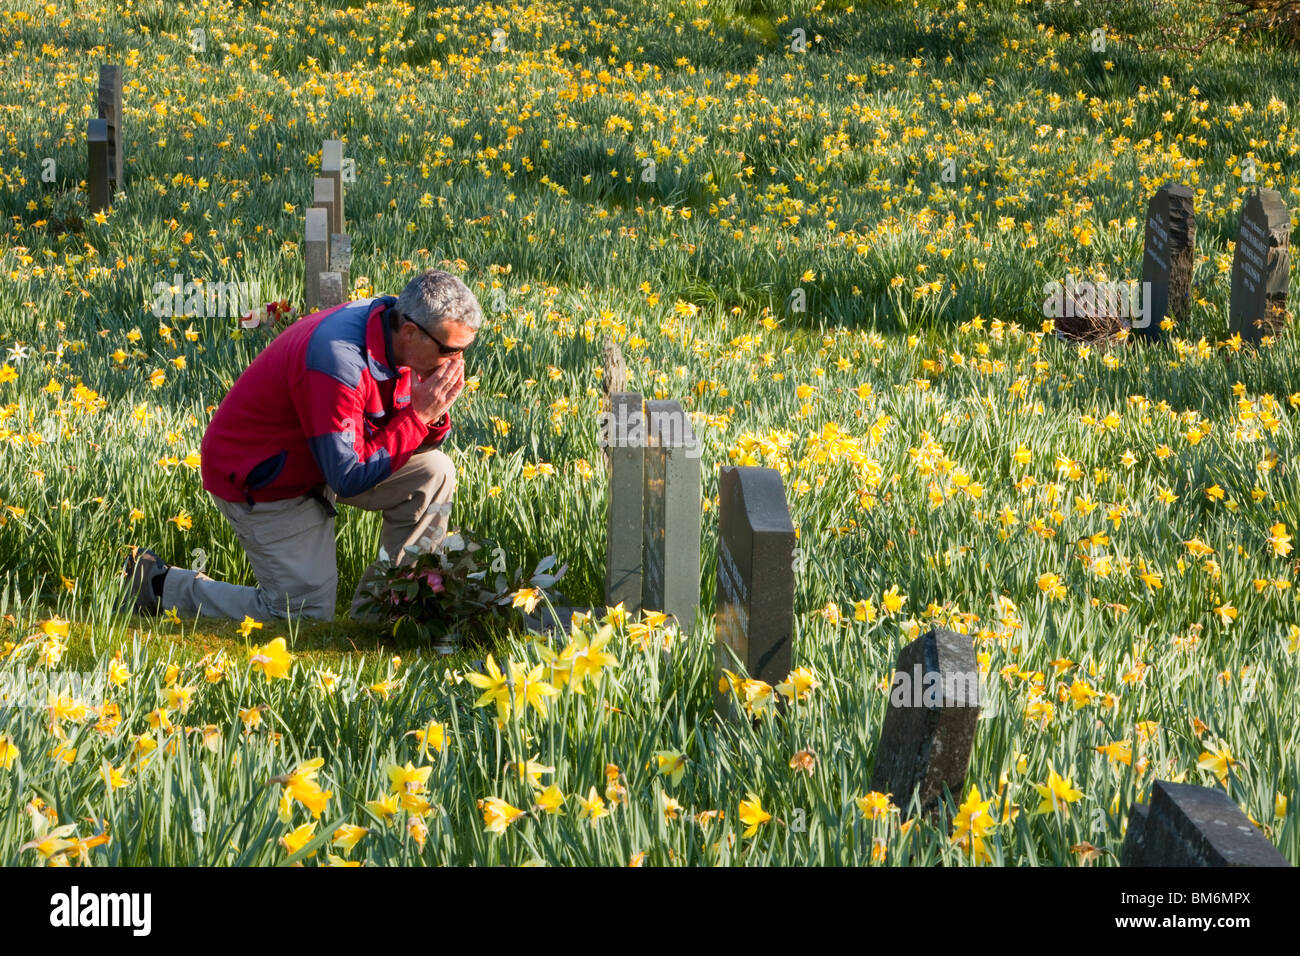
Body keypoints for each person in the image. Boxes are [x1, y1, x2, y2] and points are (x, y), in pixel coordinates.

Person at [123, 269, 477, 622]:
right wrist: (418, 415)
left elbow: (408, 441)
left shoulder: (397, 338)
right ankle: (157, 585)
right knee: (301, 613)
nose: (458, 363)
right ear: (411, 332)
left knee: (434, 472)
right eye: (451, 350)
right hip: (264, 474)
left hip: (323, 456)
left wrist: (429, 412)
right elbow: (348, 476)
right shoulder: (338, 360)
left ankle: (390, 608)